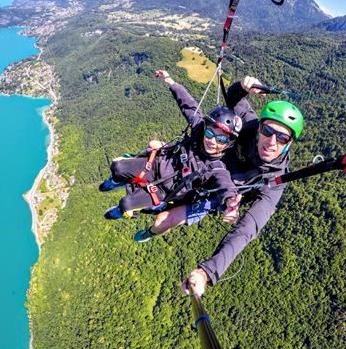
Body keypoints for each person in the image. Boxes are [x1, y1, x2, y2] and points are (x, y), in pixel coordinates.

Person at [182, 75, 304, 296]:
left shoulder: (275, 181)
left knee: (167, 219)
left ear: (290, 143)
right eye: (267, 131)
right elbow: (233, 98)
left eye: (282, 138)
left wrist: (207, 273)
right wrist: (242, 86)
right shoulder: (250, 126)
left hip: (217, 194)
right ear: (259, 128)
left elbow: (247, 229)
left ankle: (152, 228)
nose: (272, 141)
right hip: (205, 165)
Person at [99, 70, 242, 237]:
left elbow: (225, 183)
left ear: (230, 144)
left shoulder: (215, 167)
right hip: (155, 164)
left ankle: (121, 211)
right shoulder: (198, 130)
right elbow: (188, 105)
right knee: (117, 166)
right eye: (210, 134)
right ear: (205, 129)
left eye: (222, 140)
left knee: (126, 203)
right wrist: (170, 82)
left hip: (163, 191)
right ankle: (118, 181)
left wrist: (230, 201)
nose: (212, 141)